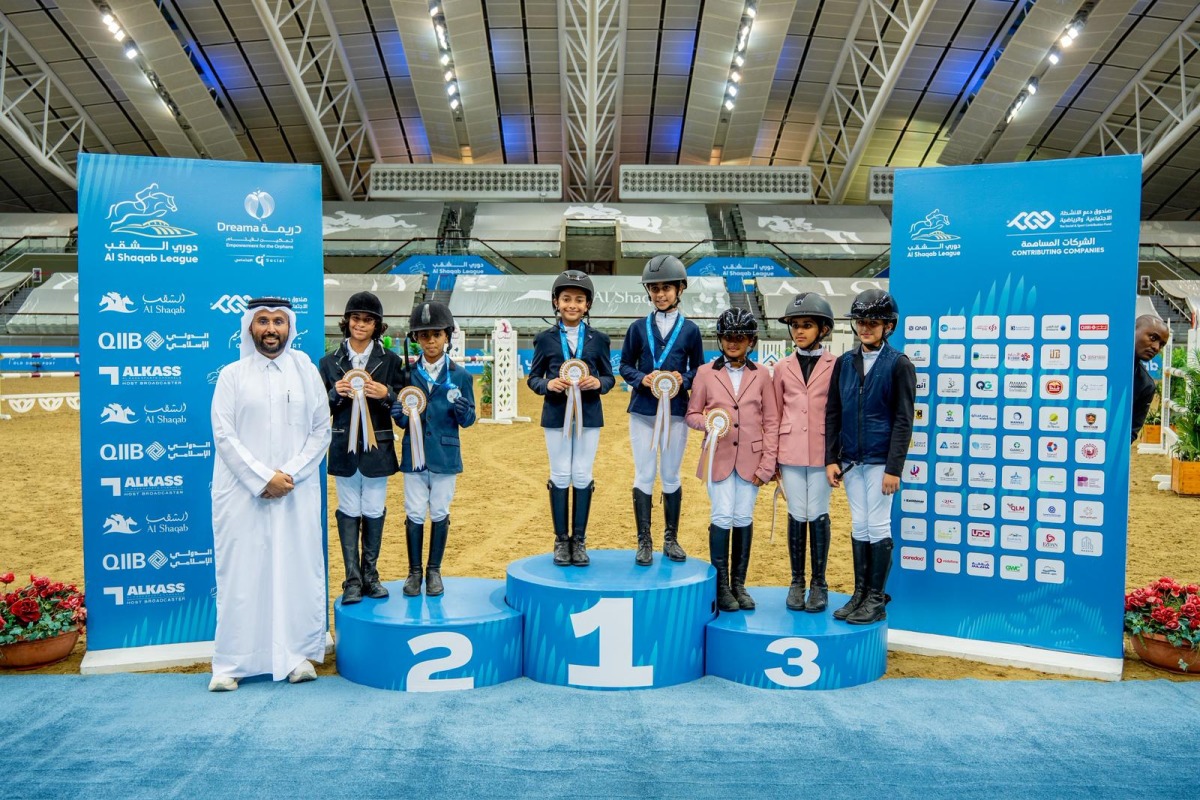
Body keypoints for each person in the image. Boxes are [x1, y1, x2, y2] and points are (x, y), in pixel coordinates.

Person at [208, 297, 331, 692]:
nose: (271, 329)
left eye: (278, 321)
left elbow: (320, 430)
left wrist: (287, 475)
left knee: (295, 569)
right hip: (243, 495)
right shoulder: (232, 375)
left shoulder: (307, 371)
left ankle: (296, 657)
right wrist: (262, 479)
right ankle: (231, 663)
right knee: (241, 575)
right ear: (250, 328)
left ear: (289, 327)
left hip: (296, 491)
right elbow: (224, 434)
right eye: (263, 321)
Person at [825, 288, 916, 625]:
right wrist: (830, 458)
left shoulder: (899, 365)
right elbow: (833, 411)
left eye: (873, 322)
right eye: (861, 322)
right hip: (851, 461)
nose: (865, 328)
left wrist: (894, 467)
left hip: (880, 462)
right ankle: (860, 593)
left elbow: (904, 420)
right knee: (860, 525)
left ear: (888, 326)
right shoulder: (844, 363)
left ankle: (876, 598)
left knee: (877, 525)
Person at [685, 308, 778, 612]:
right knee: (722, 516)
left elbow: (772, 420)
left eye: (740, 337)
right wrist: (709, 422)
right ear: (720, 339)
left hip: (752, 459)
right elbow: (692, 413)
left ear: (751, 340)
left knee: (744, 517)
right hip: (718, 456)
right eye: (728, 336)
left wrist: (768, 465)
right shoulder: (704, 372)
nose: (733, 342)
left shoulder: (763, 374)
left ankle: (739, 583)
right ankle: (722, 585)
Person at [318, 291, 407, 605]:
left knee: (372, 508)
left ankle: (371, 575)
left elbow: (404, 404)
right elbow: (318, 411)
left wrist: (387, 394)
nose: (360, 324)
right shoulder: (329, 363)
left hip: (377, 447)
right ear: (347, 321)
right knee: (348, 509)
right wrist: (333, 394)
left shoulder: (392, 362)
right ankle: (352, 580)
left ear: (377, 325)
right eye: (355, 318)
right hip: (343, 445)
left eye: (367, 320)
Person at [620, 255, 705, 566]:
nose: (660, 294)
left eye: (666, 288)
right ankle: (644, 539)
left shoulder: (691, 331)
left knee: (670, 474)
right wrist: (642, 378)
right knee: (644, 473)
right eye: (654, 289)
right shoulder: (637, 328)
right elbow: (625, 366)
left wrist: (685, 380)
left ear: (679, 289)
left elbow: (699, 369)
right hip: (643, 410)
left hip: (677, 412)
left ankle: (671, 537)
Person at [528, 270, 616, 566]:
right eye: (566, 299)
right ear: (556, 302)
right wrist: (547, 385)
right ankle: (560, 540)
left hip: (589, 414)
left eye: (579, 300)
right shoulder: (545, 339)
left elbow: (609, 376)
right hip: (556, 414)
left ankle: (579, 540)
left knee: (582, 473)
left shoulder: (599, 339)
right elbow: (533, 378)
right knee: (560, 474)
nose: (572, 305)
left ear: (588, 305)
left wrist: (599, 383)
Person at [391, 301, 475, 597]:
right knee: (414, 511)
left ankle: (434, 570)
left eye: (436, 334)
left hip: (444, 454)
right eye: (424, 335)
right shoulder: (406, 375)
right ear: (416, 339)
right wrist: (398, 413)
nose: (430, 341)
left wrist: (464, 410)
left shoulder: (461, 376)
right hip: (414, 454)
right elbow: (403, 419)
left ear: (447, 336)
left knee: (439, 510)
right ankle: (414, 572)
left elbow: (469, 420)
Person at [773, 293, 838, 612]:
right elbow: (773, 414)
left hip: (824, 452)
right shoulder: (782, 367)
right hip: (790, 450)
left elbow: (838, 411)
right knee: (798, 513)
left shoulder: (837, 365)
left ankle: (820, 583)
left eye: (807, 325)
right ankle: (797, 581)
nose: (799, 331)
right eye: (795, 326)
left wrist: (836, 455)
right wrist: (771, 457)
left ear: (823, 329)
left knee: (819, 512)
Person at [1132, 315, 1169, 443]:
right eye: (1153, 338)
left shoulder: (1146, 386)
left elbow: (1131, 433)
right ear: (1132, 329)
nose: (1156, 347)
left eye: (1162, 345)